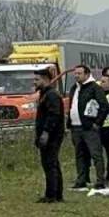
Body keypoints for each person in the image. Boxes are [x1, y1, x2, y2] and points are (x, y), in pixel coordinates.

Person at [70, 64, 109, 189]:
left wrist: (97, 123)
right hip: (75, 126)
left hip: (89, 128)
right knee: (80, 154)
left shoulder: (94, 88)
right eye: (75, 73)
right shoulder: (74, 88)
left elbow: (104, 106)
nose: (76, 76)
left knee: (96, 154)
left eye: (79, 73)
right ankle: (81, 179)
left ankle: (100, 181)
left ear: (87, 74)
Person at [34, 67, 66, 203]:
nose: (34, 82)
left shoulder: (51, 95)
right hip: (48, 134)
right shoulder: (44, 94)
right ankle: (55, 193)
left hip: (52, 135)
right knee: (51, 163)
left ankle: (52, 195)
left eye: (37, 79)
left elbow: (54, 115)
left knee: (50, 164)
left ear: (45, 79)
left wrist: (46, 132)